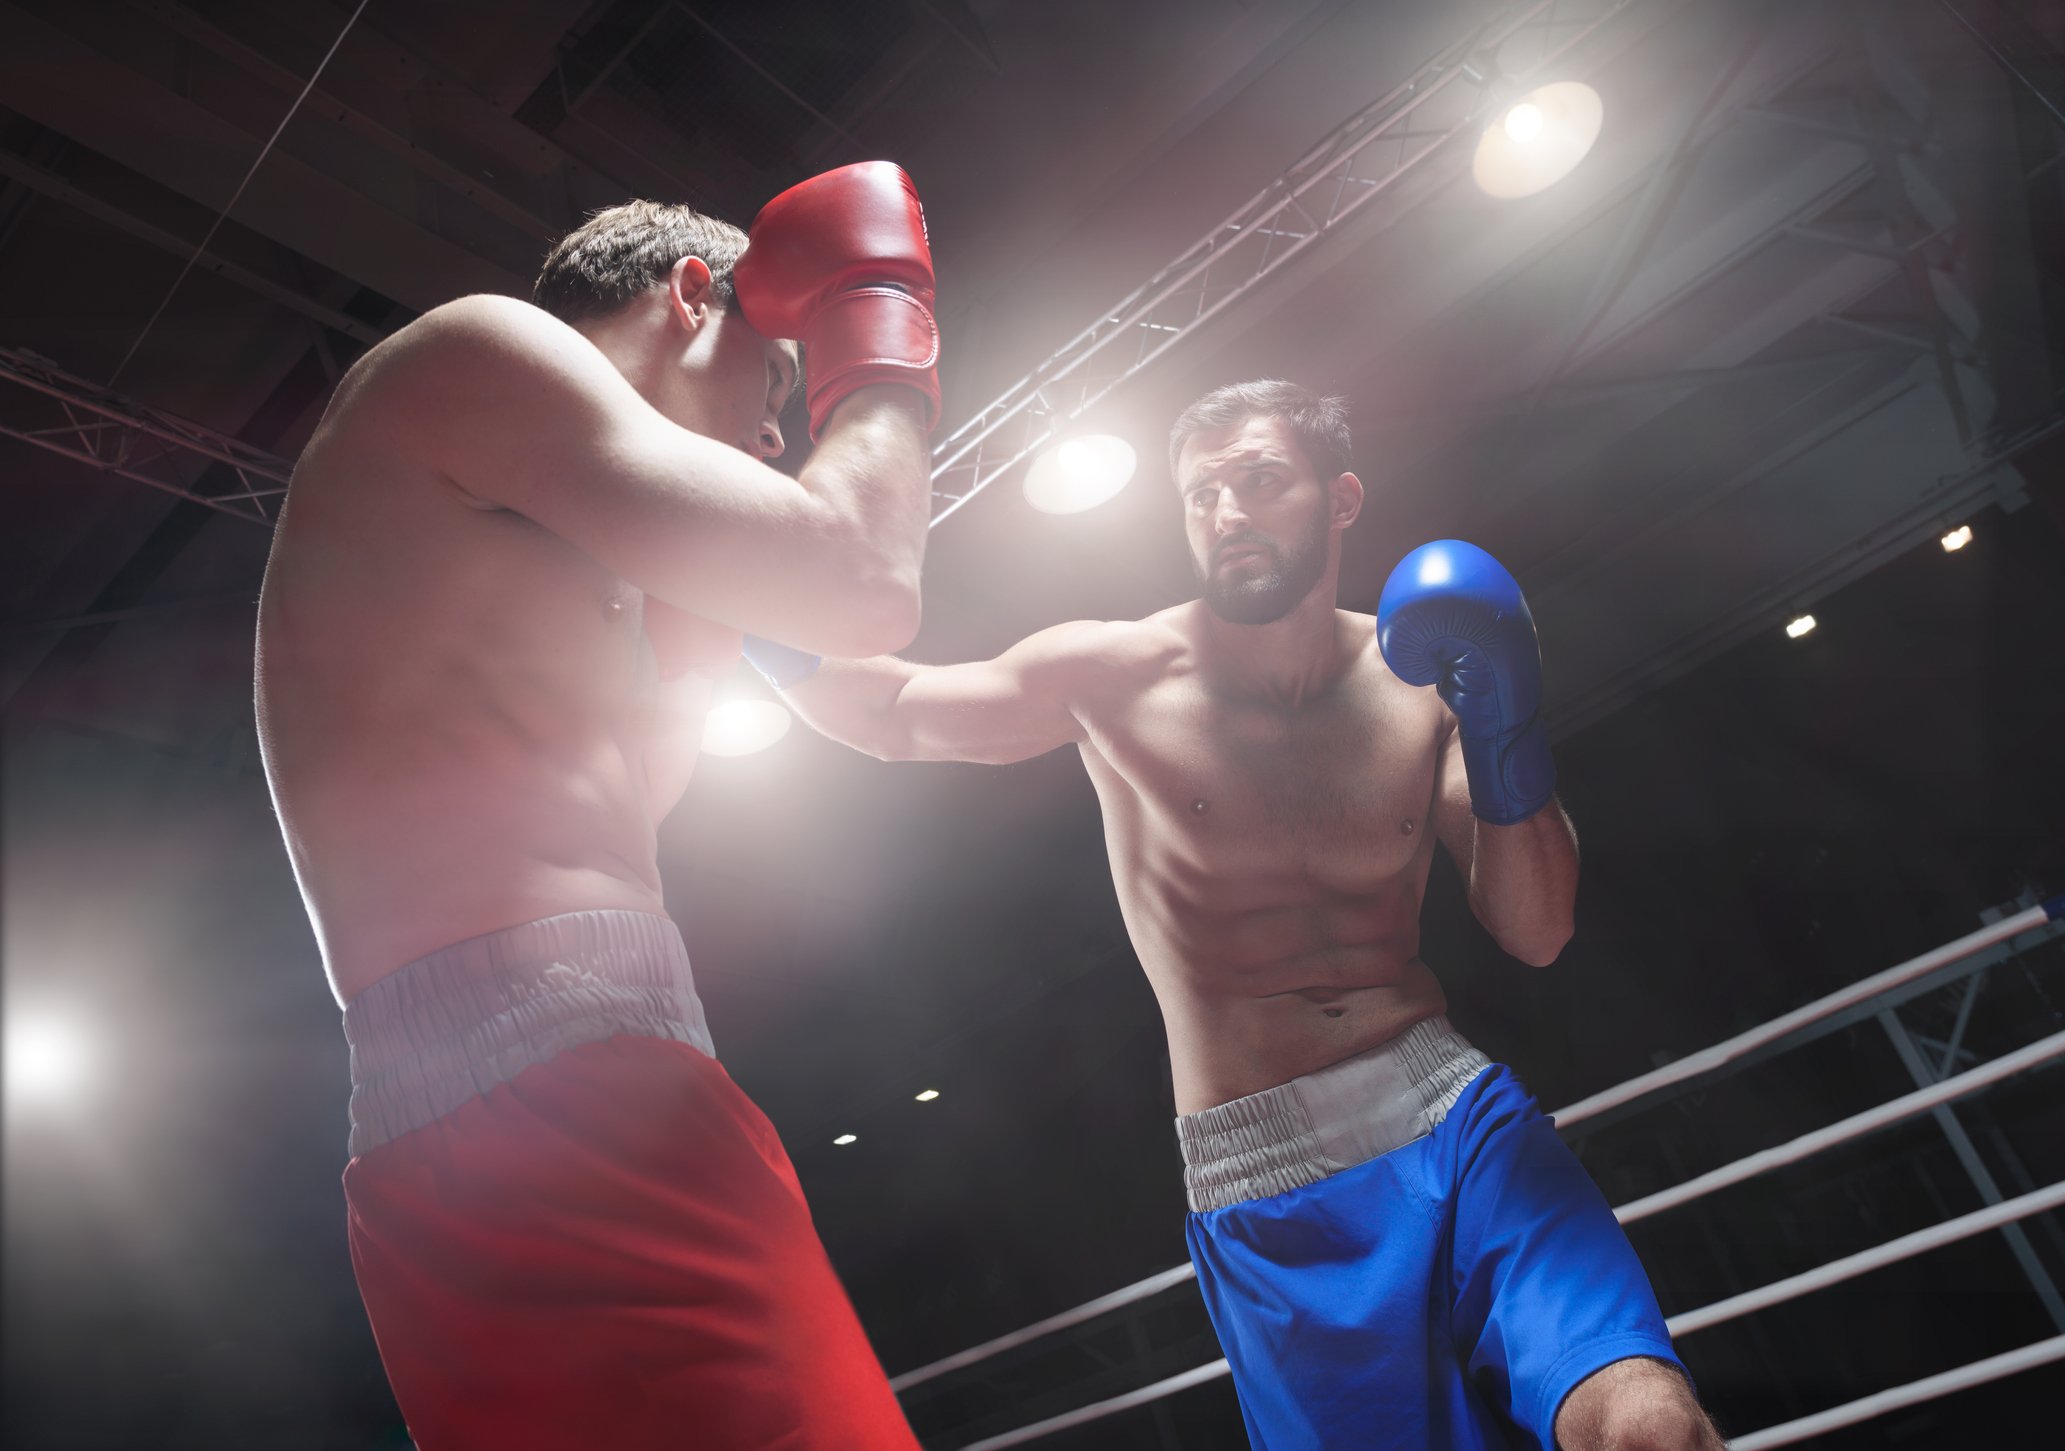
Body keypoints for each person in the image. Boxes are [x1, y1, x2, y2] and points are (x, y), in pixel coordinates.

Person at [752, 380, 1726, 1450]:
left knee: (1650, 1427)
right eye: (1202, 494)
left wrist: (1508, 728)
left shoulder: (1423, 686)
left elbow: (1534, 926)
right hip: (1271, 1192)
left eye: (1259, 482)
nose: (1226, 514)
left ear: (1339, 498)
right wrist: (729, 585)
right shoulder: (1115, 673)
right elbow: (892, 711)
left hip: (1456, 1122)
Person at [254, 163, 940, 1449]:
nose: (782, 435)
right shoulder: (481, 347)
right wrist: (878, 323)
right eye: (776, 378)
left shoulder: (558, 546)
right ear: (693, 294)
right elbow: (863, 576)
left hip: (510, 1113)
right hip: (572, 1101)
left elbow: (838, 723)